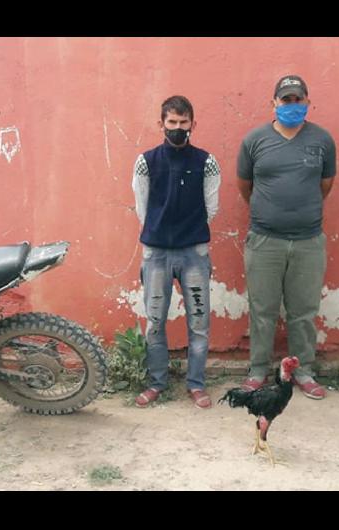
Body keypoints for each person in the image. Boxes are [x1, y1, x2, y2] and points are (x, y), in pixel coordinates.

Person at [236, 75, 336, 400]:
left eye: (298, 100)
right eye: (285, 100)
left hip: (308, 241)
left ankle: (304, 370)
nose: (292, 106)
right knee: (262, 309)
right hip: (265, 240)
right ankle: (257, 370)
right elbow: (244, 186)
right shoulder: (255, 141)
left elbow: (326, 184)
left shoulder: (322, 140)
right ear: (274, 104)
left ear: (307, 102)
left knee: (304, 311)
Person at [131, 95, 221, 409]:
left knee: (198, 321)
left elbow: (212, 208)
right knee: (155, 321)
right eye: (172, 123)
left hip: (194, 251)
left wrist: (187, 233)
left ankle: (196, 384)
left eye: (184, 123)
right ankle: (157, 382)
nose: (178, 129)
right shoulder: (145, 162)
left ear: (193, 124)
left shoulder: (207, 162)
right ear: (161, 124)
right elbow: (143, 210)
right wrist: (160, 233)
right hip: (155, 253)